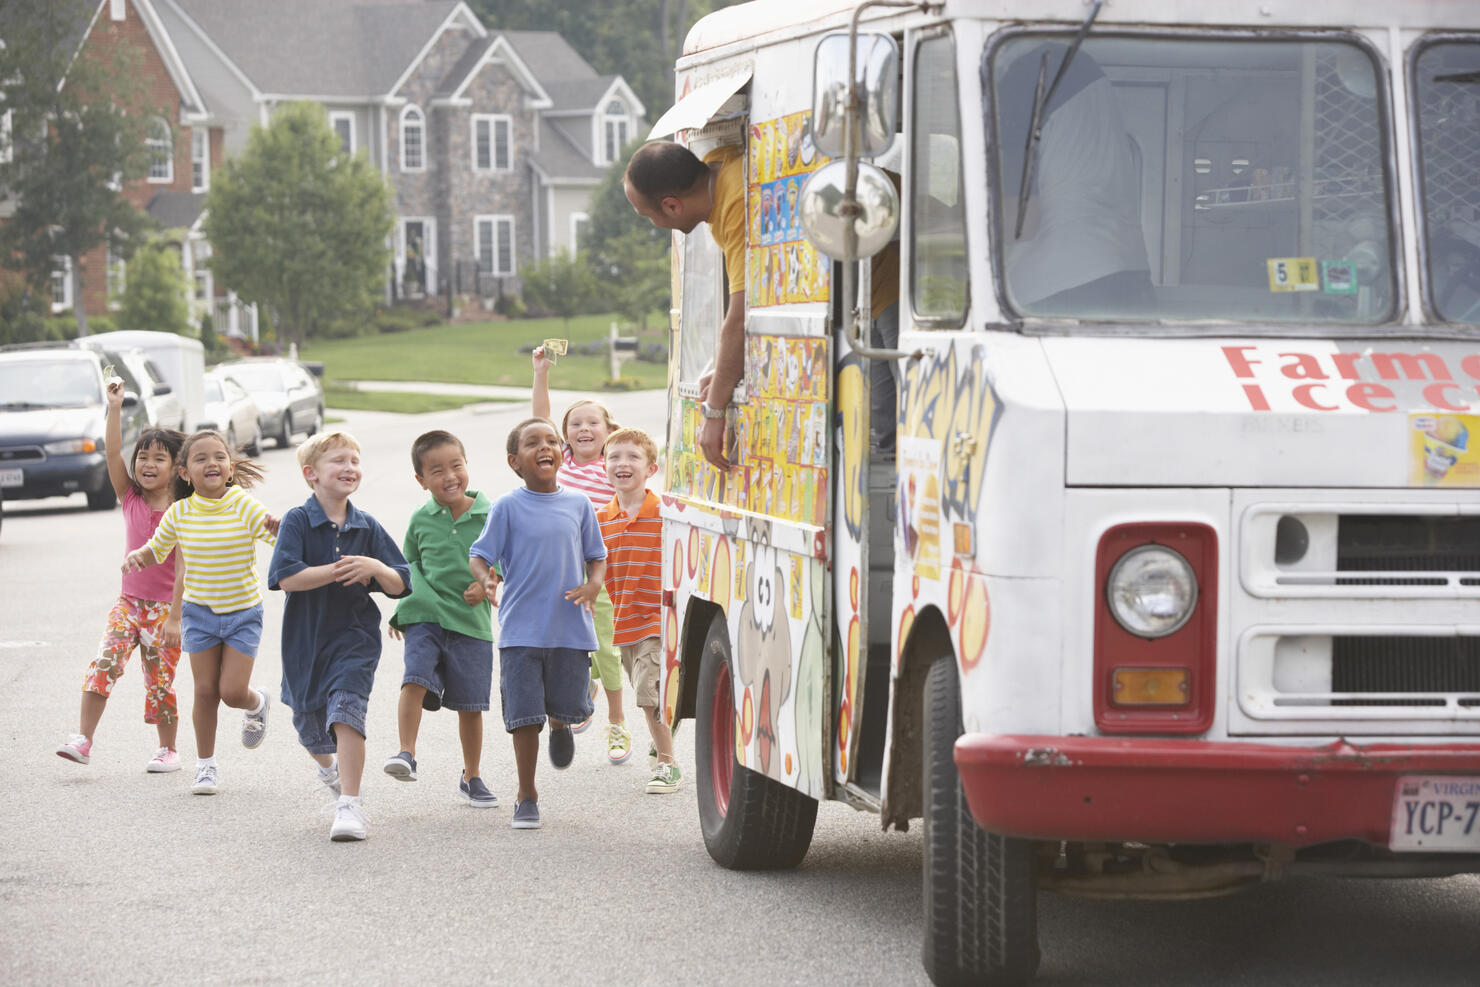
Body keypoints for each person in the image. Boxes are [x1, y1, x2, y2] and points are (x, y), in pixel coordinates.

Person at [268, 432, 410, 842]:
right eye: (338, 461)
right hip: (305, 643)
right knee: (308, 723)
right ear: (311, 474)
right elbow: (287, 578)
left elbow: (400, 581)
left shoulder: (367, 526)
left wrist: (374, 567)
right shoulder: (298, 520)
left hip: (354, 640)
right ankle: (329, 770)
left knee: (346, 712)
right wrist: (336, 569)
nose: (349, 468)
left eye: (354, 461)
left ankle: (350, 804)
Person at [469, 417, 606, 831]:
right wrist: (487, 579)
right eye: (532, 443)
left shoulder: (579, 504)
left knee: (564, 702)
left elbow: (596, 555)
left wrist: (593, 584)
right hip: (520, 632)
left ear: (561, 453)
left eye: (551, 441)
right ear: (515, 461)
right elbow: (480, 555)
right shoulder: (507, 506)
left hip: (569, 629)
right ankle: (526, 794)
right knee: (525, 715)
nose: (544, 447)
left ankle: (562, 721)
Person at [122, 430, 275, 796]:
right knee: (205, 692)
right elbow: (157, 549)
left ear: (230, 467)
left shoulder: (242, 504)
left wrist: (283, 528)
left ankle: (257, 702)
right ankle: (206, 767)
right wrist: (137, 557)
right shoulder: (180, 511)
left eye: (219, 457)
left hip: (242, 613)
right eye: (201, 458)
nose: (212, 463)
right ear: (185, 473)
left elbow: (276, 535)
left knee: (232, 691)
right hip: (199, 613)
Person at [57, 380, 186, 771]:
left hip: (166, 610)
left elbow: (183, 568)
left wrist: (177, 616)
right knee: (105, 662)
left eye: (159, 459)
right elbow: (112, 450)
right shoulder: (128, 496)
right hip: (128, 605)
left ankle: (168, 750)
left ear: (177, 468)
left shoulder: (184, 509)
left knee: (160, 681)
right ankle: (84, 739)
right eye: (143, 457)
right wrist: (114, 407)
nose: (148, 464)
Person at [382, 430, 498, 810]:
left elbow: (507, 559)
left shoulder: (490, 515)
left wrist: (486, 585)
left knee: (470, 705)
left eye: (456, 466)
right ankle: (406, 753)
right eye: (436, 470)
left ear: (467, 466)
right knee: (414, 678)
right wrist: (403, 609)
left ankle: (472, 775)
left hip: (471, 622)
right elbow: (407, 565)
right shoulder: (420, 519)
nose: (449, 476)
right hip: (427, 616)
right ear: (421, 480)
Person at [530, 348, 631, 766]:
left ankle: (618, 722)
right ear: (564, 435)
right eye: (575, 423)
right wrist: (540, 374)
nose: (583, 428)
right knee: (568, 645)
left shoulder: (613, 465)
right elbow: (539, 422)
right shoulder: (562, 461)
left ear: (610, 431)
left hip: (600, 571)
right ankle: (584, 688)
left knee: (604, 648)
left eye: (593, 422)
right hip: (559, 572)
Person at [996, 43, 1151, 314]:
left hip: (1064, 283)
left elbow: (1019, 222)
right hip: (1130, 273)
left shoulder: (1023, 78)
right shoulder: (1083, 64)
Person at [624, 140, 745, 471]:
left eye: (649, 216)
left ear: (672, 206)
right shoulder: (718, 164)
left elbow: (740, 317)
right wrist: (720, 365)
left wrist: (715, 412)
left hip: (880, 300)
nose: (653, 224)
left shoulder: (735, 206)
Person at [595, 427, 681, 794]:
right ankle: (662, 740)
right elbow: (594, 572)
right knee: (652, 693)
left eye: (633, 457)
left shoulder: (666, 513)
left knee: (649, 694)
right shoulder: (601, 520)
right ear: (604, 467)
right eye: (614, 457)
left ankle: (668, 763)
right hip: (625, 622)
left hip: (660, 620)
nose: (622, 463)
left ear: (652, 468)